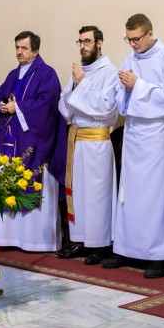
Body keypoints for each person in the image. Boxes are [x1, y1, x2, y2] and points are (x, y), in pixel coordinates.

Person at [102, 14, 164, 279]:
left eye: (136, 39)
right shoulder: (131, 58)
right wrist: (125, 89)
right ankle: (127, 248)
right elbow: (118, 92)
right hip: (134, 131)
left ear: (149, 34)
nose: (133, 45)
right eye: (129, 39)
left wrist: (139, 85)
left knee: (155, 195)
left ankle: (159, 255)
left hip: (156, 133)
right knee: (130, 194)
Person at [0, 31, 66, 252]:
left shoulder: (47, 74)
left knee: (32, 180)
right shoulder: (13, 74)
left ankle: (37, 241)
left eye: (24, 48)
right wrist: (3, 106)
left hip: (34, 141)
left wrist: (19, 108)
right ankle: (9, 237)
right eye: (17, 47)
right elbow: (1, 96)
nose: (19, 52)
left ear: (35, 50)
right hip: (12, 139)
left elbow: (47, 105)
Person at [56, 26, 119, 264]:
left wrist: (81, 84)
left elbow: (106, 108)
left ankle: (100, 245)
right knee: (79, 193)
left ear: (99, 43)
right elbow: (64, 106)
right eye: (80, 41)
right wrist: (74, 85)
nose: (83, 46)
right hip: (77, 140)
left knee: (97, 195)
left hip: (97, 142)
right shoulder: (78, 71)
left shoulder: (110, 72)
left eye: (88, 41)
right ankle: (80, 240)